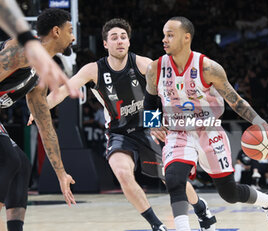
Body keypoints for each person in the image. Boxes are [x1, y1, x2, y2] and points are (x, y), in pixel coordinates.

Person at [29, 18, 217, 231]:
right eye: (114, 37)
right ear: (105, 44)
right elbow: (63, 90)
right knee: (122, 173)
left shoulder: (144, 64)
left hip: (147, 128)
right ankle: (157, 226)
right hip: (118, 132)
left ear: (129, 42)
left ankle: (201, 208)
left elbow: (169, 92)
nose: (119, 41)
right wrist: (40, 108)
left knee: (170, 178)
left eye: (123, 37)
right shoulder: (93, 70)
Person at [144, 16, 268, 230]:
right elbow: (150, 100)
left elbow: (235, 100)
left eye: (170, 35)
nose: (164, 39)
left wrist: (260, 122)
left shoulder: (209, 68)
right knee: (173, 180)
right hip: (178, 132)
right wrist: (153, 123)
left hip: (208, 130)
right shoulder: (155, 69)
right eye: (164, 35)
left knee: (229, 193)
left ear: (186, 37)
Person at [0, 8, 76, 231]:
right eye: (70, 30)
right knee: (9, 158)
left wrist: (61, 174)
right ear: (56, 31)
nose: (73, 36)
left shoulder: (41, 72)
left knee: (22, 164)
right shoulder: (21, 50)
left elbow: (45, 126)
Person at [0, 0, 80, 97]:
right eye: (70, 32)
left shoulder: (41, 71)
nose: (73, 38)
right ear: (56, 31)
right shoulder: (21, 52)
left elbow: (40, 110)